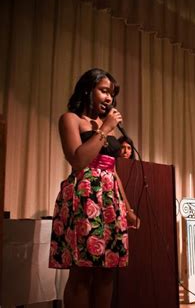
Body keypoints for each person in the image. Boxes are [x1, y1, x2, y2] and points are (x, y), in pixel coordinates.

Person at [48, 68, 140, 307]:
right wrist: (105, 129)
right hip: (84, 198)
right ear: (88, 90)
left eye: (112, 93)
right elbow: (78, 160)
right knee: (82, 271)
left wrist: (127, 207)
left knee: (108, 269)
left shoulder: (103, 124)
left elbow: (113, 171)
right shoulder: (71, 119)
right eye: (104, 91)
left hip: (110, 201)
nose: (109, 98)